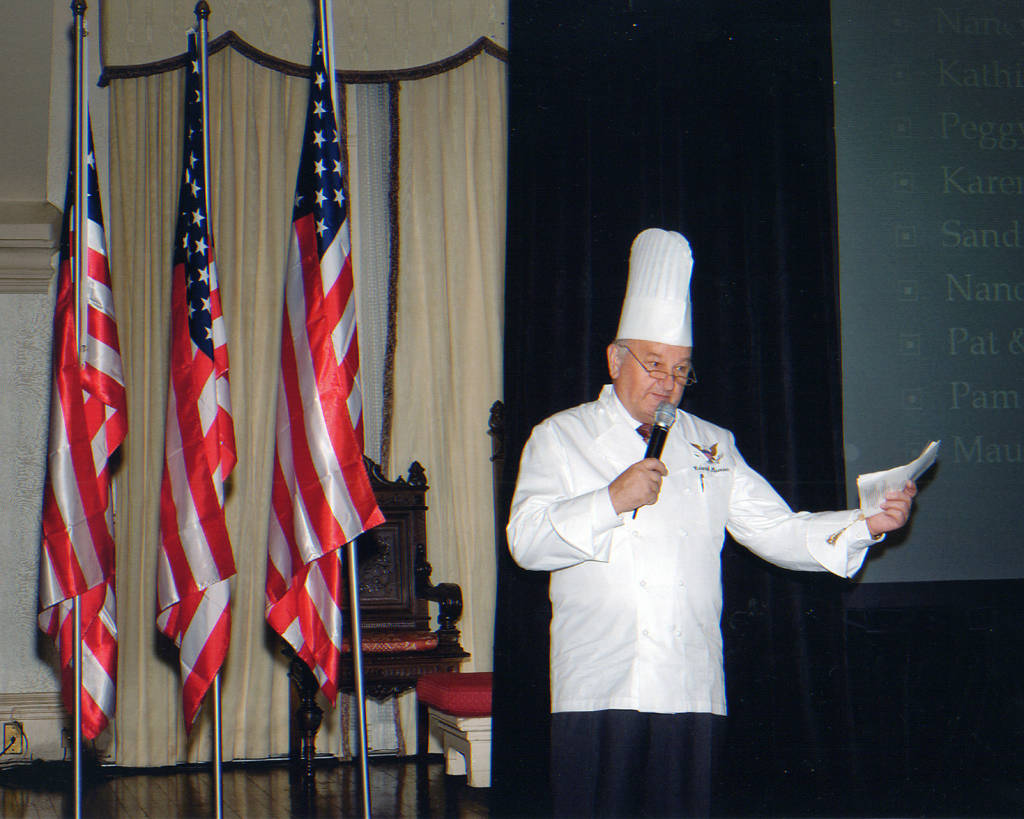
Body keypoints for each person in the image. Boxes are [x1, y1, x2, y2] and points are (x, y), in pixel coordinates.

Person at [506, 228, 917, 817]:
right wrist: (610, 499)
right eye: (653, 364)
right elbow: (526, 543)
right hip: (599, 681)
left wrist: (866, 524)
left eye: (680, 369)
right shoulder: (561, 436)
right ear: (615, 359)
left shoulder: (711, 444)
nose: (667, 383)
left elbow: (777, 528)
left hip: (688, 682)